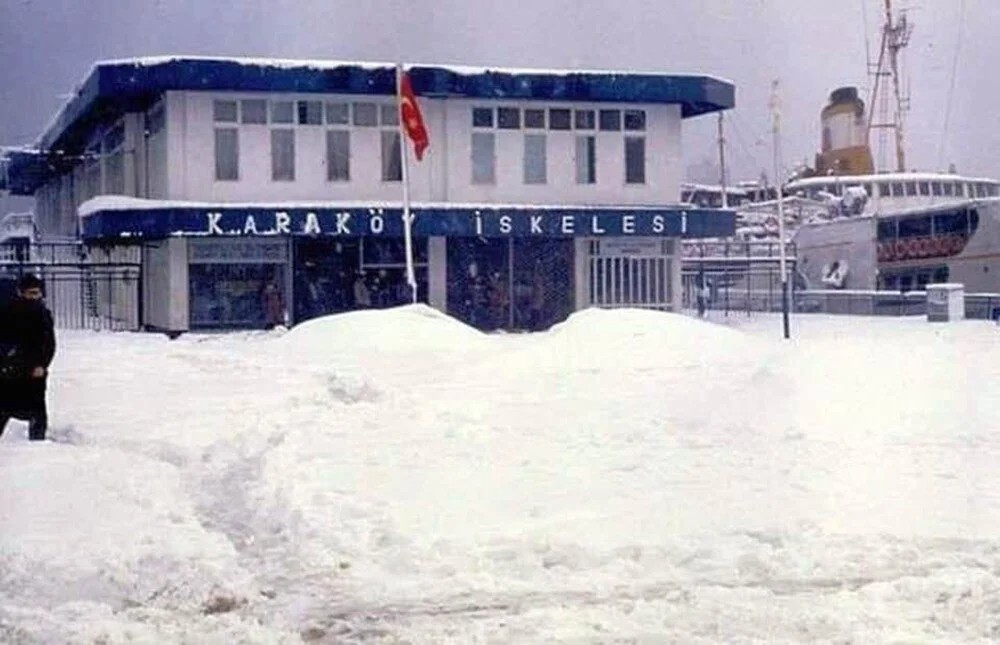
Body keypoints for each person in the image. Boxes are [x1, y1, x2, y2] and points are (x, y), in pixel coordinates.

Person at [0, 274, 56, 441]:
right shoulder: (8, 312)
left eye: (37, 293)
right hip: (10, 368)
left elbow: (49, 343)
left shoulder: (43, 314)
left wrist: (42, 364)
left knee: (37, 411)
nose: (35, 297)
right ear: (21, 293)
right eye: (31, 293)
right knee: (3, 408)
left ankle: (36, 444)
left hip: (34, 370)